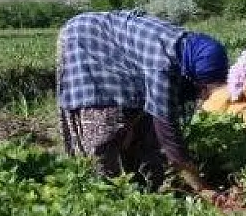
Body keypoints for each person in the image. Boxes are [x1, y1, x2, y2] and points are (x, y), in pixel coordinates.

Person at [56, 10, 228, 195]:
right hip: (85, 39)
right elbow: (167, 131)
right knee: (105, 124)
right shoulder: (162, 64)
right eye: (202, 86)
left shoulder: (190, 50)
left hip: (121, 51)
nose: (202, 94)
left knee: (140, 125)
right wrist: (200, 187)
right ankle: (106, 193)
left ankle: (144, 187)